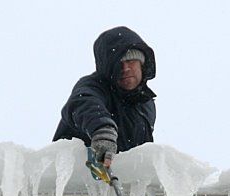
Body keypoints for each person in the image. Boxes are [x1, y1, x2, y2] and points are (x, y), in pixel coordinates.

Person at [53, 26, 156, 168]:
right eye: (118, 64)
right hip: (77, 180)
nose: (125, 68)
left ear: (142, 64)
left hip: (119, 183)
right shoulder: (94, 86)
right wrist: (102, 129)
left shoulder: (146, 105)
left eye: (131, 61)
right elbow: (83, 102)